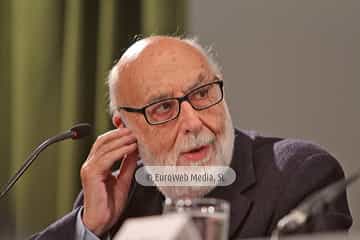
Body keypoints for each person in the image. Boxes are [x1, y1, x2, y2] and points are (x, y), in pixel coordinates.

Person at [30, 36, 352, 240]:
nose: (193, 122)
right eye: (163, 107)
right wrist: (89, 228)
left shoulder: (298, 175)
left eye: (201, 93)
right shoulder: (117, 199)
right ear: (124, 129)